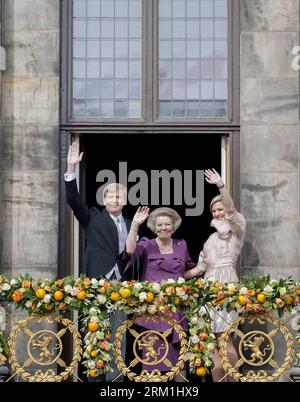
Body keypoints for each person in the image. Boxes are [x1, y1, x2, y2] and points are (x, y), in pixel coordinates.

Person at [64, 141, 132, 381]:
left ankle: (116, 381)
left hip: (122, 286)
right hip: (95, 285)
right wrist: (71, 169)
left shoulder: (131, 222)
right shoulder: (92, 217)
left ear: (124, 200)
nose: (114, 199)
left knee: (119, 335)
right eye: (110, 196)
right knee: (95, 334)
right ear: (104, 199)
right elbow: (73, 199)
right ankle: (94, 379)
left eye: (119, 196)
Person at [184, 168, 246, 382]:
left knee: (225, 340)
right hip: (208, 289)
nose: (219, 213)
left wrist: (221, 186)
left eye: (220, 209)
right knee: (210, 342)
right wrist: (173, 277)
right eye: (215, 211)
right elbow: (199, 269)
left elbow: (231, 210)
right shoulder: (210, 239)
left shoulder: (237, 229)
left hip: (226, 287)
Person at [124, 206, 196, 380]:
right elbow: (129, 251)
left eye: (167, 224)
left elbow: (184, 274)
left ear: (173, 226)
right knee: (152, 356)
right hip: (153, 311)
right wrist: (134, 225)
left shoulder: (182, 245)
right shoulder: (146, 244)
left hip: (177, 310)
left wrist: (201, 268)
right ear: (154, 228)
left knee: (180, 359)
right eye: (160, 225)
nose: (164, 227)